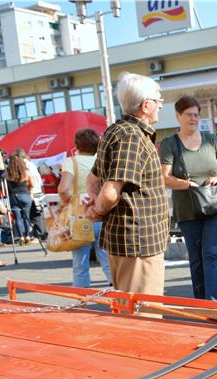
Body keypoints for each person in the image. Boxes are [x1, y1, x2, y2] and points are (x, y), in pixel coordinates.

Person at [85, 72, 169, 297]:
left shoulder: (117, 131)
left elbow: (92, 179)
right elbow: (111, 190)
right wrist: (97, 210)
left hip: (132, 242)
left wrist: (96, 206)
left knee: (132, 311)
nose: (161, 105)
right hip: (138, 245)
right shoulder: (132, 136)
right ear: (146, 105)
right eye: (158, 100)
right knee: (142, 316)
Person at [161, 95, 217, 301]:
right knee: (196, 258)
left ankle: (214, 303)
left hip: (213, 205)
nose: (193, 119)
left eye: (196, 115)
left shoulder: (210, 140)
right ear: (178, 116)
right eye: (188, 115)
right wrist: (185, 184)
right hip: (187, 208)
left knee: (212, 254)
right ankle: (201, 302)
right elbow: (164, 177)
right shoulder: (170, 143)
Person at [58, 128, 112, 288]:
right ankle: (118, 291)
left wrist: (69, 202)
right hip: (101, 211)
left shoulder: (71, 162)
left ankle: (82, 298)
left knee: (80, 261)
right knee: (107, 256)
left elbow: (63, 189)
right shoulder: (101, 160)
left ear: (77, 145)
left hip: (80, 215)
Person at [15, 148, 45, 240]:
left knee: (35, 213)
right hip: (37, 190)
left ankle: (39, 234)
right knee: (37, 213)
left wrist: (31, 191)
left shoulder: (26, 165)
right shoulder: (31, 164)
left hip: (32, 191)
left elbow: (31, 179)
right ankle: (39, 233)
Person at [5, 154, 33, 245]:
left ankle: (20, 236)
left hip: (14, 196)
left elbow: (5, 186)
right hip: (25, 194)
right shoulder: (25, 172)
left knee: (18, 218)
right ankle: (28, 236)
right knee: (26, 216)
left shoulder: (8, 173)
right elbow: (31, 184)